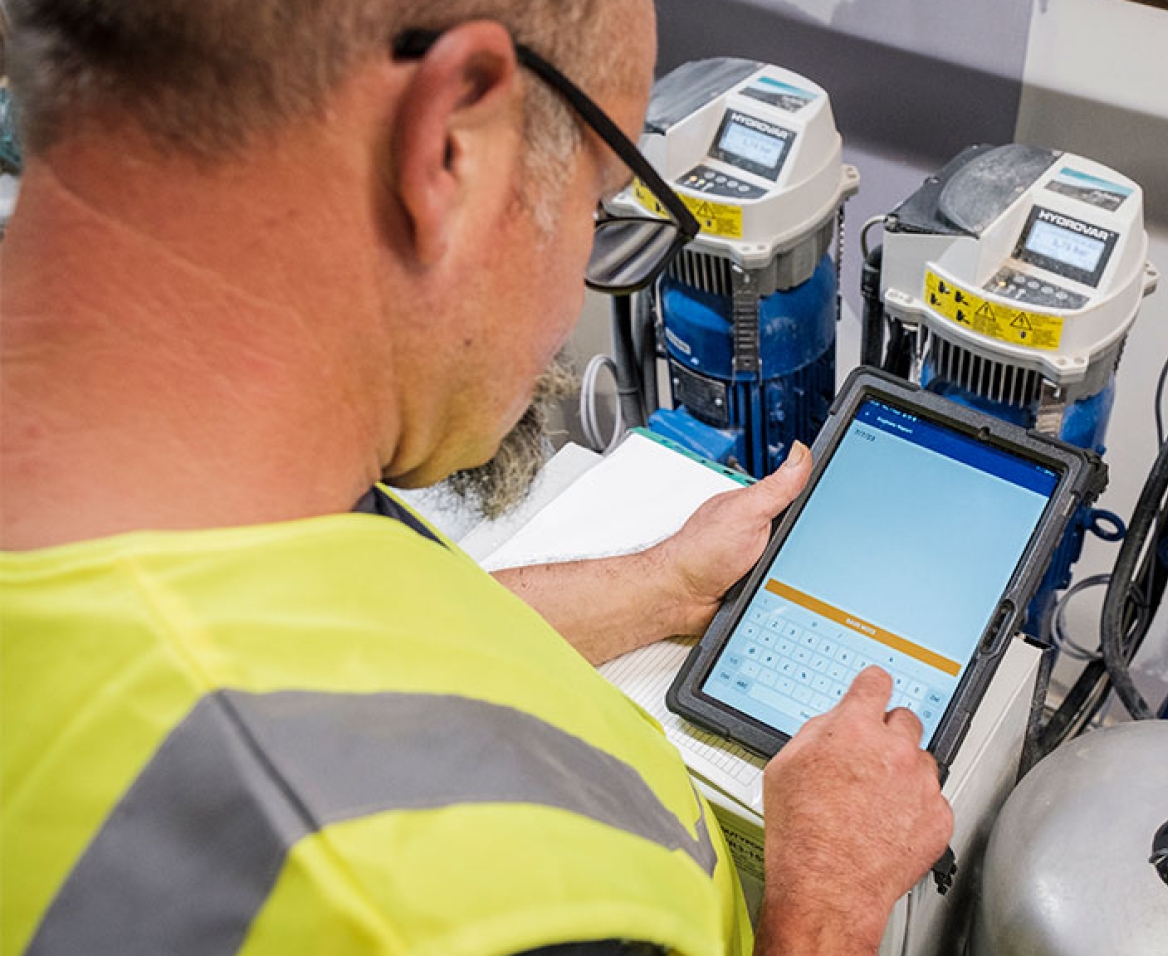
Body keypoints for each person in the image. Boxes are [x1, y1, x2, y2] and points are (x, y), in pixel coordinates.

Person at [0, 2, 953, 955]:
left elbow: (350, 651)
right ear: (450, 144)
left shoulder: (216, 487)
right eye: (598, 206)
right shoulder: (429, 918)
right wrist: (825, 901)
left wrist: (657, 584)